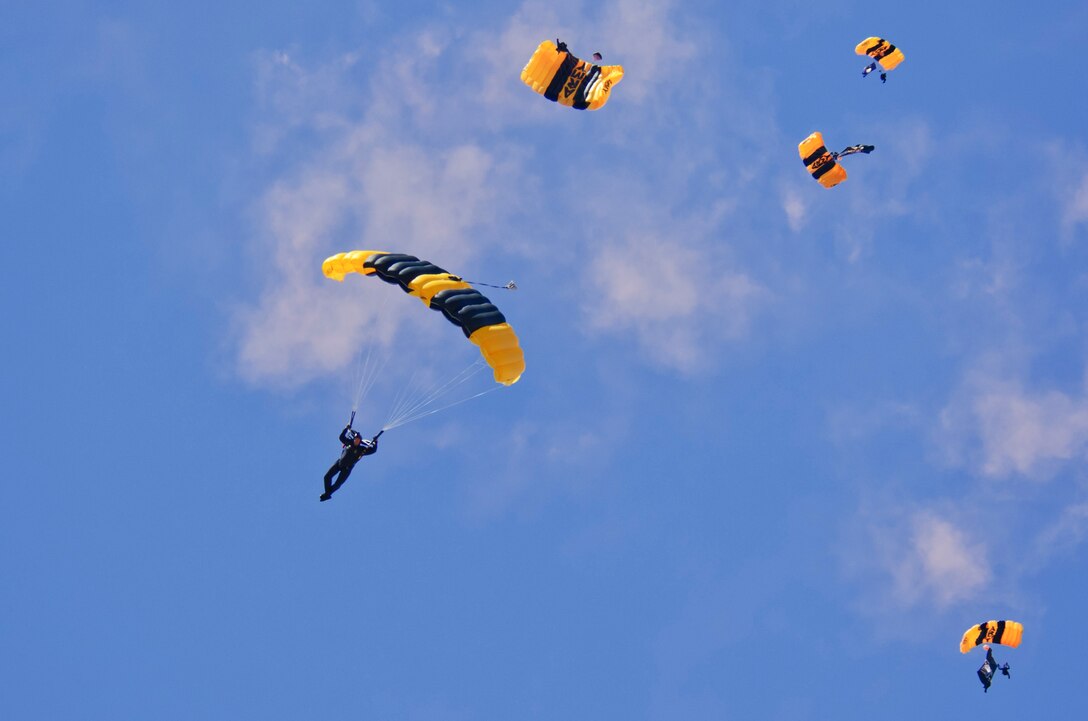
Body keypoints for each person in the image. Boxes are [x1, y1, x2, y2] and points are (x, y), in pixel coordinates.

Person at [320, 426, 379, 502]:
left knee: (337, 484)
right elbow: (341, 437)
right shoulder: (348, 442)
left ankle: (327, 494)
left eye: (358, 440)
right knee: (327, 477)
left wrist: (375, 442)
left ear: (360, 441)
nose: (356, 441)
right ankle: (327, 494)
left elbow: (373, 450)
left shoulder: (361, 449)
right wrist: (346, 429)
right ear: (354, 439)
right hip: (339, 464)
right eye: (355, 439)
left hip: (347, 469)